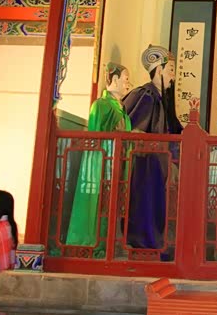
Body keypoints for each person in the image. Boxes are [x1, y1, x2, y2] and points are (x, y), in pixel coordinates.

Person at [122, 45, 183, 250]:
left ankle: (155, 245)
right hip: (145, 163)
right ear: (158, 70)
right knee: (145, 205)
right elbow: (131, 129)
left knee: (158, 206)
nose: (173, 76)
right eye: (171, 70)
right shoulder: (144, 95)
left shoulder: (162, 99)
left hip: (159, 163)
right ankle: (143, 245)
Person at [65, 63, 132, 249]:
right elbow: (95, 137)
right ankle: (91, 244)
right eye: (126, 79)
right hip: (103, 162)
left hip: (118, 162)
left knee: (111, 205)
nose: (128, 84)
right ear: (115, 79)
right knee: (97, 205)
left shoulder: (121, 109)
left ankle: (107, 244)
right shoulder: (100, 105)